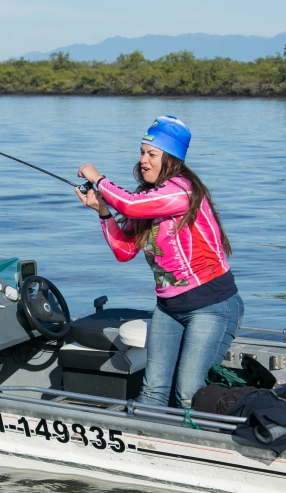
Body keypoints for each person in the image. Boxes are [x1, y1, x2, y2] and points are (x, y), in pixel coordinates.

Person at [75, 116, 243, 408]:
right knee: (153, 392)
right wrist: (103, 211)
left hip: (210, 306)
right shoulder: (149, 199)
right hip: (169, 308)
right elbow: (124, 250)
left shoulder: (182, 189)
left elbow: (128, 204)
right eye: (142, 153)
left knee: (189, 394)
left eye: (151, 154)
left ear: (171, 158)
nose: (143, 160)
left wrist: (98, 179)